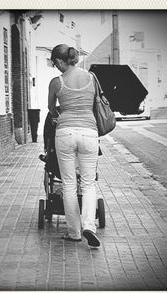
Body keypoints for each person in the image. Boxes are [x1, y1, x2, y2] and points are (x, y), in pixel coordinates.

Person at [48, 44, 100, 248]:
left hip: (65, 133)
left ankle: (74, 232)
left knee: (69, 184)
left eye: (55, 63)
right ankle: (89, 226)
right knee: (88, 183)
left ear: (60, 61)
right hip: (89, 132)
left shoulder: (56, 82)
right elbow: (96, 102)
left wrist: (55, 115)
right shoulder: (92, 78)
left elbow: (51, 108)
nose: (55, 67)